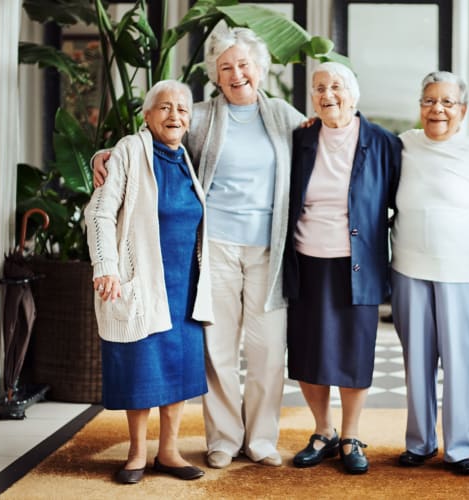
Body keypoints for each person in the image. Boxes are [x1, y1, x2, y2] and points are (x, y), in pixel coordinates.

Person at [93, 28, 305, 469]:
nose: (236, 74)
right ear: (214, 75)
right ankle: (224, 438)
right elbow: (156, 141)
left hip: (269, 247)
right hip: (214, 249)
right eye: (225, 67)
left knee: (268, 347)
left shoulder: (284, 115)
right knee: (218, 348)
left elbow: (325, 137)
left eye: (244, 64)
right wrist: (107, 154)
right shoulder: (203, 116)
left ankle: (262, 438)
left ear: (260, 69)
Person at [85, 80, 213, 484]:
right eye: (164, 107)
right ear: (146, 114)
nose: (174, 115)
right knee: (141, 364)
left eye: (182, 109)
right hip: (141, 277)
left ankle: (169, 452)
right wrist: (105, 266)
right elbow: (100, 212)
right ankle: (137, 453)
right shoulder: (128, 151)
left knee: (179, 368)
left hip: (185, 282)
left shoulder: (188, 157)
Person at [283, 62, 402, 475]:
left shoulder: (384, 143)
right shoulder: (300, 139)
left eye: (336, 86)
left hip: (358, 263)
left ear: (353, 93)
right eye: (319, 87)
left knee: (354, 351)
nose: (327, 94)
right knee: (308, 351)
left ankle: (351, 434)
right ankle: (323, 431)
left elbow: (404, 196)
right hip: (306, 258)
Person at [391, 71, 469, 476]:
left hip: (462, 270)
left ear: (463, 111)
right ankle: (419, 442)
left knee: (460, 360)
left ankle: (461, 447)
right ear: (419, 107)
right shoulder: (402, 146)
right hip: (408, 266)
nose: (438, 109)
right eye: (430, 101)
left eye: (448, 102)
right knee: (416, 358)